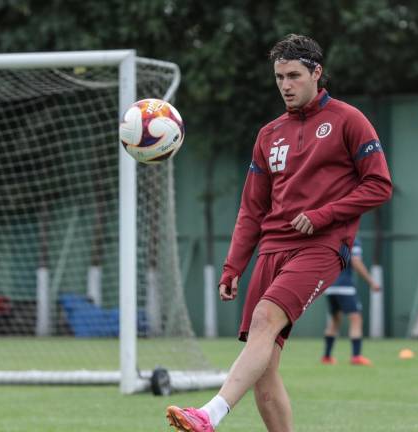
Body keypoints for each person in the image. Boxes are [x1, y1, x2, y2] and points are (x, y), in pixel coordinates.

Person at [165, 34, 392, 432]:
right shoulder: (269, 134)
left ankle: (210, 414)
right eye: (279, 77)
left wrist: (324, 214)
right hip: (271, 250)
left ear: (316, 73)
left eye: (293, 76)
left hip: (321, 246)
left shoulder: (348, 120)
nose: (285, 85)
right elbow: (252, 208)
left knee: (265, 319)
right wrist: (234, 264)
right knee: (264, 373)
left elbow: (379, 185)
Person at [321, 237, 381, 366]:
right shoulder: (353, 239)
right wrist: (372, 282)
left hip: (330, 286)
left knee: (335, 320)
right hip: (345, 287)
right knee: (356, 318)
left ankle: (326, 357)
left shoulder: (333, 238)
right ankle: (356, 356)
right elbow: (356, 261)